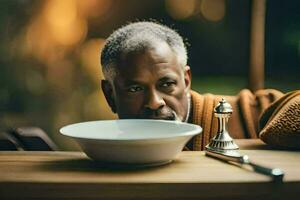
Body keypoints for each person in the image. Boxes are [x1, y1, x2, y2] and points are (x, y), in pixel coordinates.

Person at [100, 21, 300, 150]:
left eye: (167, 84)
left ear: (186, 81)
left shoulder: (243, 116)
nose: (154, 103)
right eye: (135, 89)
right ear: (110, 95)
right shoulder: (104, 152)